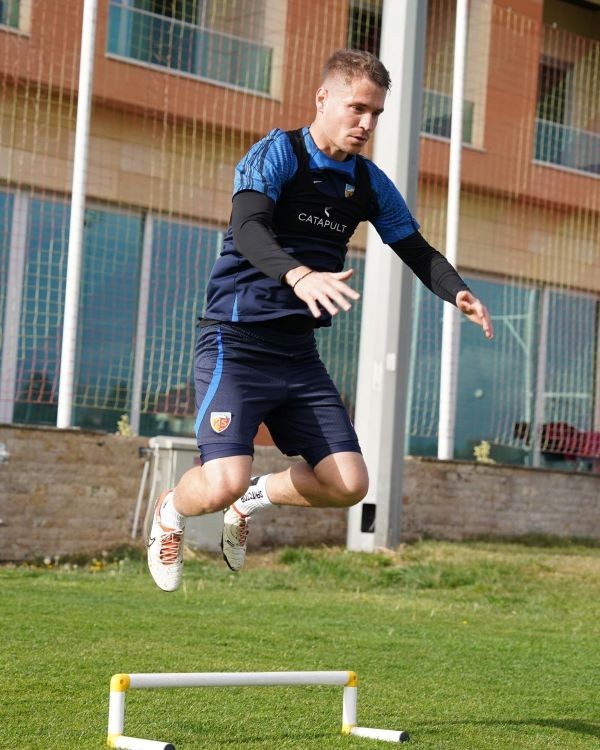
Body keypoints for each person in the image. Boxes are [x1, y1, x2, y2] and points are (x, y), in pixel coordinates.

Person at [147, 48, 494, 592]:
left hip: (297, 355)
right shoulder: (278, 154)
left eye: (376, 113)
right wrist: (300, 275)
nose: (367, 123)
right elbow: (248, 229)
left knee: (348, 484)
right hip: (235, 344)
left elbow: (415, 248)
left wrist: (458, 292)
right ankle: (170, 511)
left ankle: (254, 498)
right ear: (323, 99)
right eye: (358, 108)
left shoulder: (369, 182)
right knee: (219, 484)